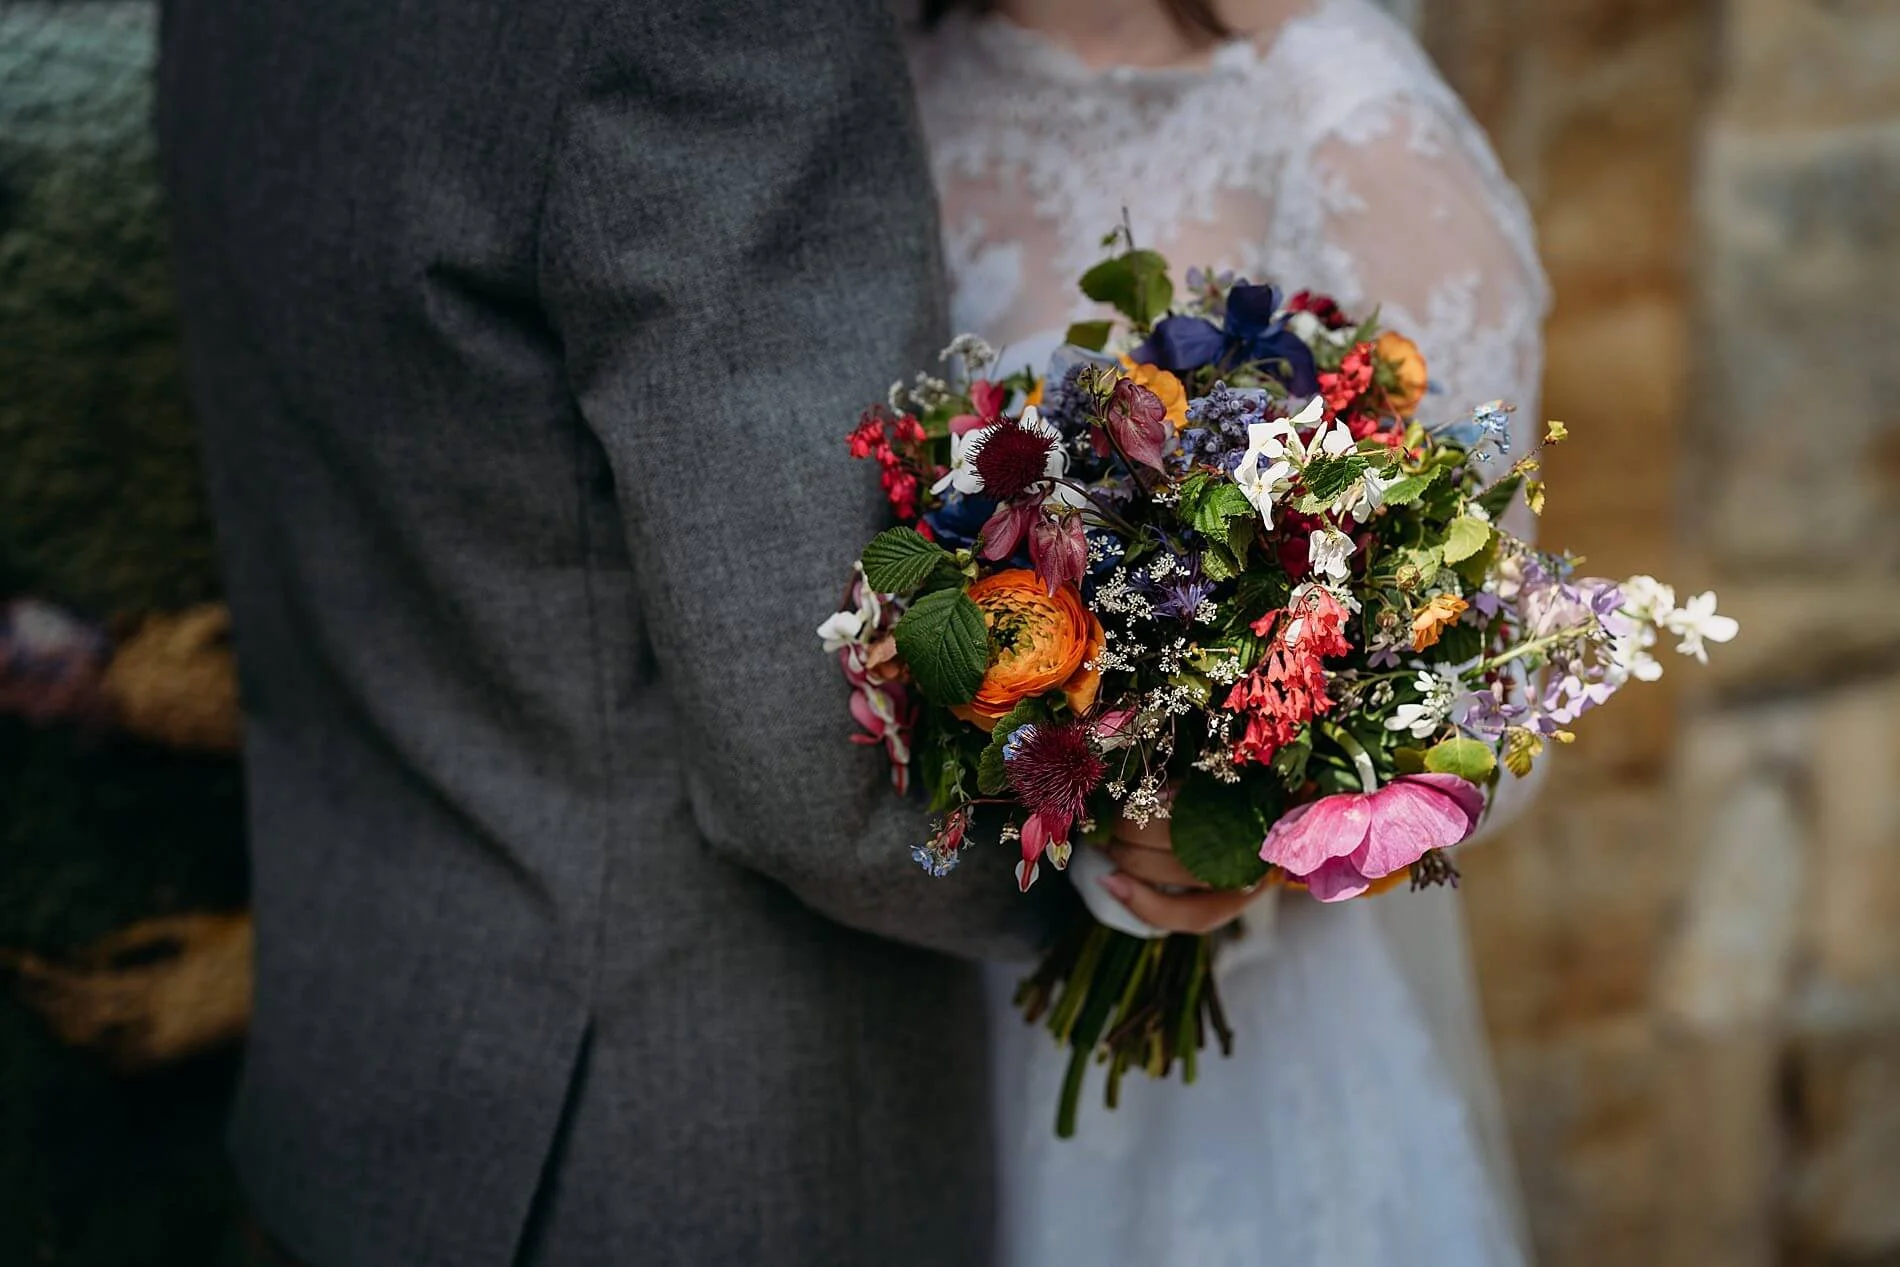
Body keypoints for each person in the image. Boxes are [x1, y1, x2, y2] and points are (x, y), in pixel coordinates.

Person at [152, 1, 1087, 1264]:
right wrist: (1139, 824)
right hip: (673, 1141)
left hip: (363, 1085)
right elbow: (821, 756)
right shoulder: (711, 27)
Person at [907, 1, 1550, 1263]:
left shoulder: (1340, 107)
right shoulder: (880, 91)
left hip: (1242, 1048)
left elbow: (1498, 690)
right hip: (914, 999)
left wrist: (1248, 825)